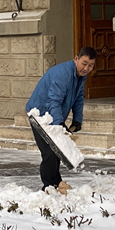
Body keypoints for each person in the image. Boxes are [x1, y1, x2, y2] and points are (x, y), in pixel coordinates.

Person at [25, 46, 96, 193]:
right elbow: (54, 101)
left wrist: (77, 120)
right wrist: (59, 123)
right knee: (49, 152)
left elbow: (78, 100)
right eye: (84, 63)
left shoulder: (80, 76)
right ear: (76, 58)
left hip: (52, 115)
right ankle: (49, 186)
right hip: (39, 114)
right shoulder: (62, 74)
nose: (86, 68)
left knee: (56, 150)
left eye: (90, 65)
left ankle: (56, 183)